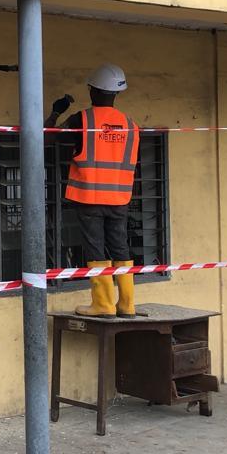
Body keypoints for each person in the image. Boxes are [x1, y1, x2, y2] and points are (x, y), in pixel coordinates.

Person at [45, 63, 143, 319]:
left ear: (93, 90)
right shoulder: (130, 125)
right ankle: (127, 305)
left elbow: (47, 137)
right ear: (116, 93)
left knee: (95, 249)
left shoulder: (83, 120)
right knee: (120, 248)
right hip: (119, 198)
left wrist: (55, 113)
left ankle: (103, 305)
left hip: (89, 197)